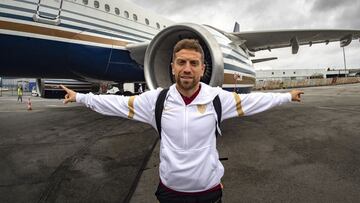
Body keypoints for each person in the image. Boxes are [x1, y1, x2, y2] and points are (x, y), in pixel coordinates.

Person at [61, 39, 303, 203]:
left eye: (193, 63)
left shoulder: (217, 98)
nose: (187, 68)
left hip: (208, 193)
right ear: (173, 67)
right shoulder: (156, 101)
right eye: (182, 63)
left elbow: (256, 102)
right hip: (171, 193)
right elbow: (118, 104)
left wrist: (286, 96)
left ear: (202, 69)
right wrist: (81, 97)